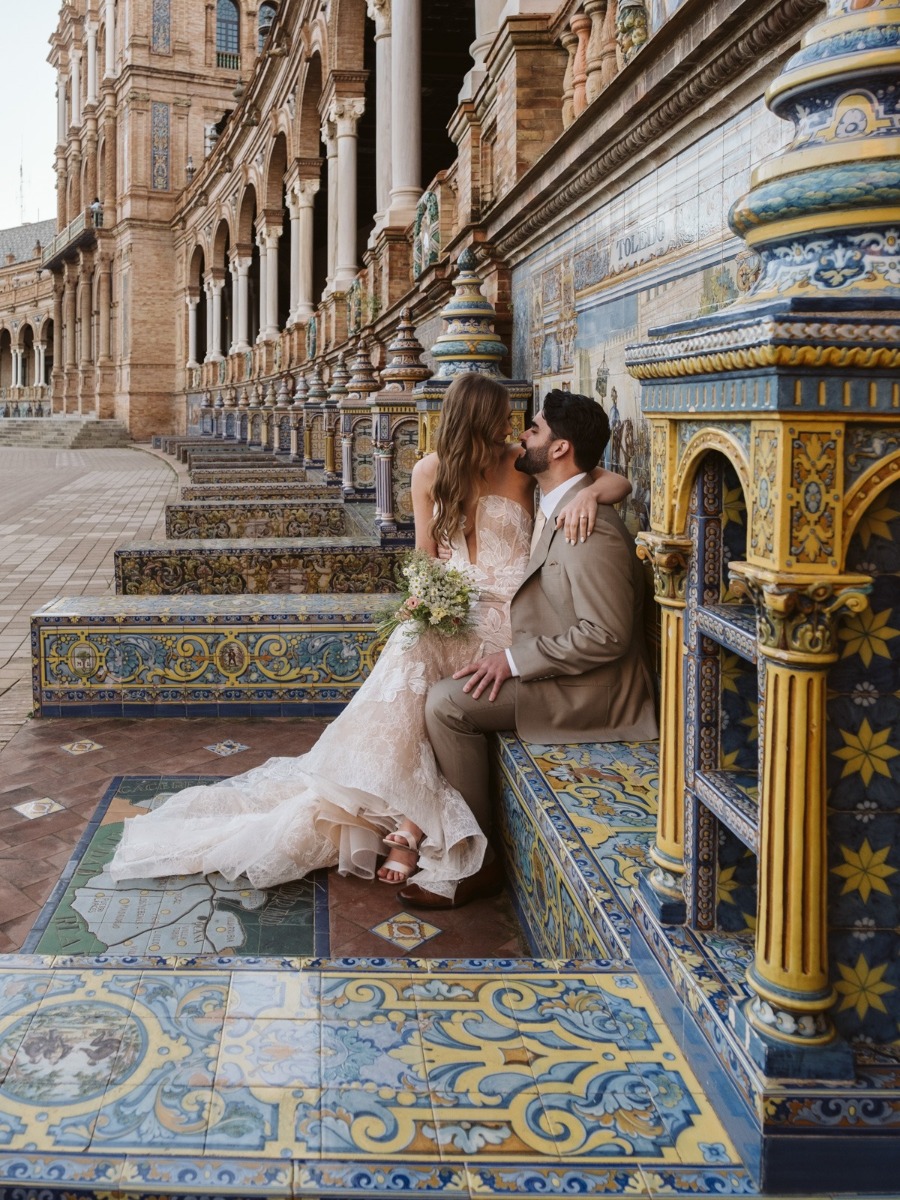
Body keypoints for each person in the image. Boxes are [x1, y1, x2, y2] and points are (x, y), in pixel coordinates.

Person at [109, 374, 631, 894]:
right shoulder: (429, 472)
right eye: (506, 416)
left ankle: (412, 821)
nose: (516, 428)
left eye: (525, 424)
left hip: (512, 614)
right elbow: (425, 554)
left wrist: (591, 497)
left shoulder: (519, 466)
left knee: (423, 660)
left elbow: (600, 480)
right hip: (455, 605)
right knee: (412, 643)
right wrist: (423, 597)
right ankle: (409, 813)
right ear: (483, 418)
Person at [398, 388, 659, 910]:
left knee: (447, 703)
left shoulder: (589, 528)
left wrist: (512, 658)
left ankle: (479, 857)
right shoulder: (555, 502)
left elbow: (607, 635)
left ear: (559, 449)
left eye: (532, 428)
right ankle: (419, 819)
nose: (519, 435)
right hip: (544, 650)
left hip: (593, 692)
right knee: (418, 662)